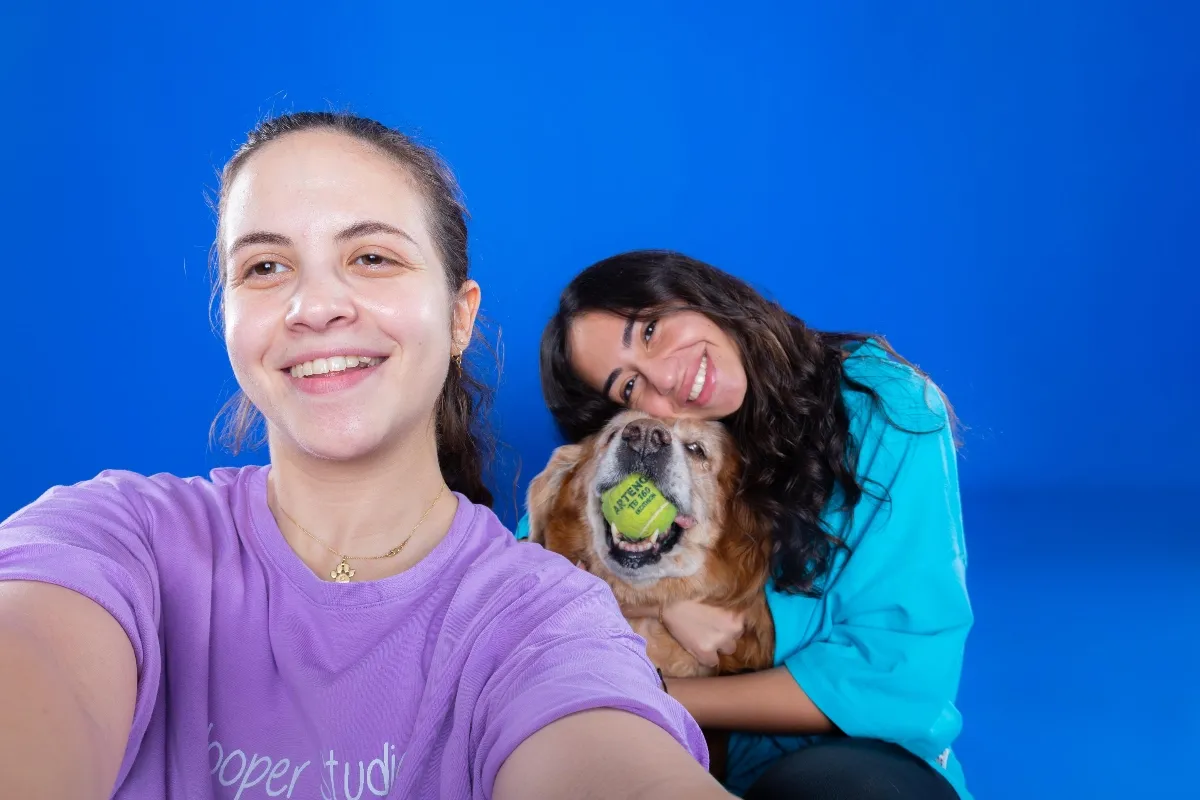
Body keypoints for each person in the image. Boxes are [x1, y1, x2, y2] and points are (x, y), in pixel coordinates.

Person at [0, 113, 734, 800]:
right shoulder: (115, 536)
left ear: (459, 317)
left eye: (372, 257)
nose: (314, 307)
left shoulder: (543, 620)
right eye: (264, 267)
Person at [514, 249, 974, 799]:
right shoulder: (659, 440)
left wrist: (652, 693)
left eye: (651, 330)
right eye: (629, 387)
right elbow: (531, 569)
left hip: (852, 757)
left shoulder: (888, 406)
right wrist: (658, 604)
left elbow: (894, 673)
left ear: (691, 291)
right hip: (672, 750)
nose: (666, 378)